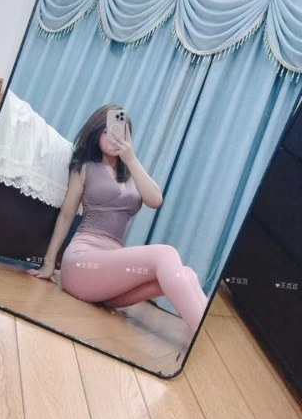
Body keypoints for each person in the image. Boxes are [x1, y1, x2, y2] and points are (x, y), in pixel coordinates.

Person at [27, 104, 208, 335]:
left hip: (109, 278)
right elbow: (66, 215)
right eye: (107, 131)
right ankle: (204, 336)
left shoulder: (130, 173)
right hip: (83, 263)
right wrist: (49, 262)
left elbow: (155, 200)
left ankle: (202, 332)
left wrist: (131, 159)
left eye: (120, 132)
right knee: (166, 253)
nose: (114, 138)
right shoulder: (85, 168)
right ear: (96, 133)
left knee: (188, 274)